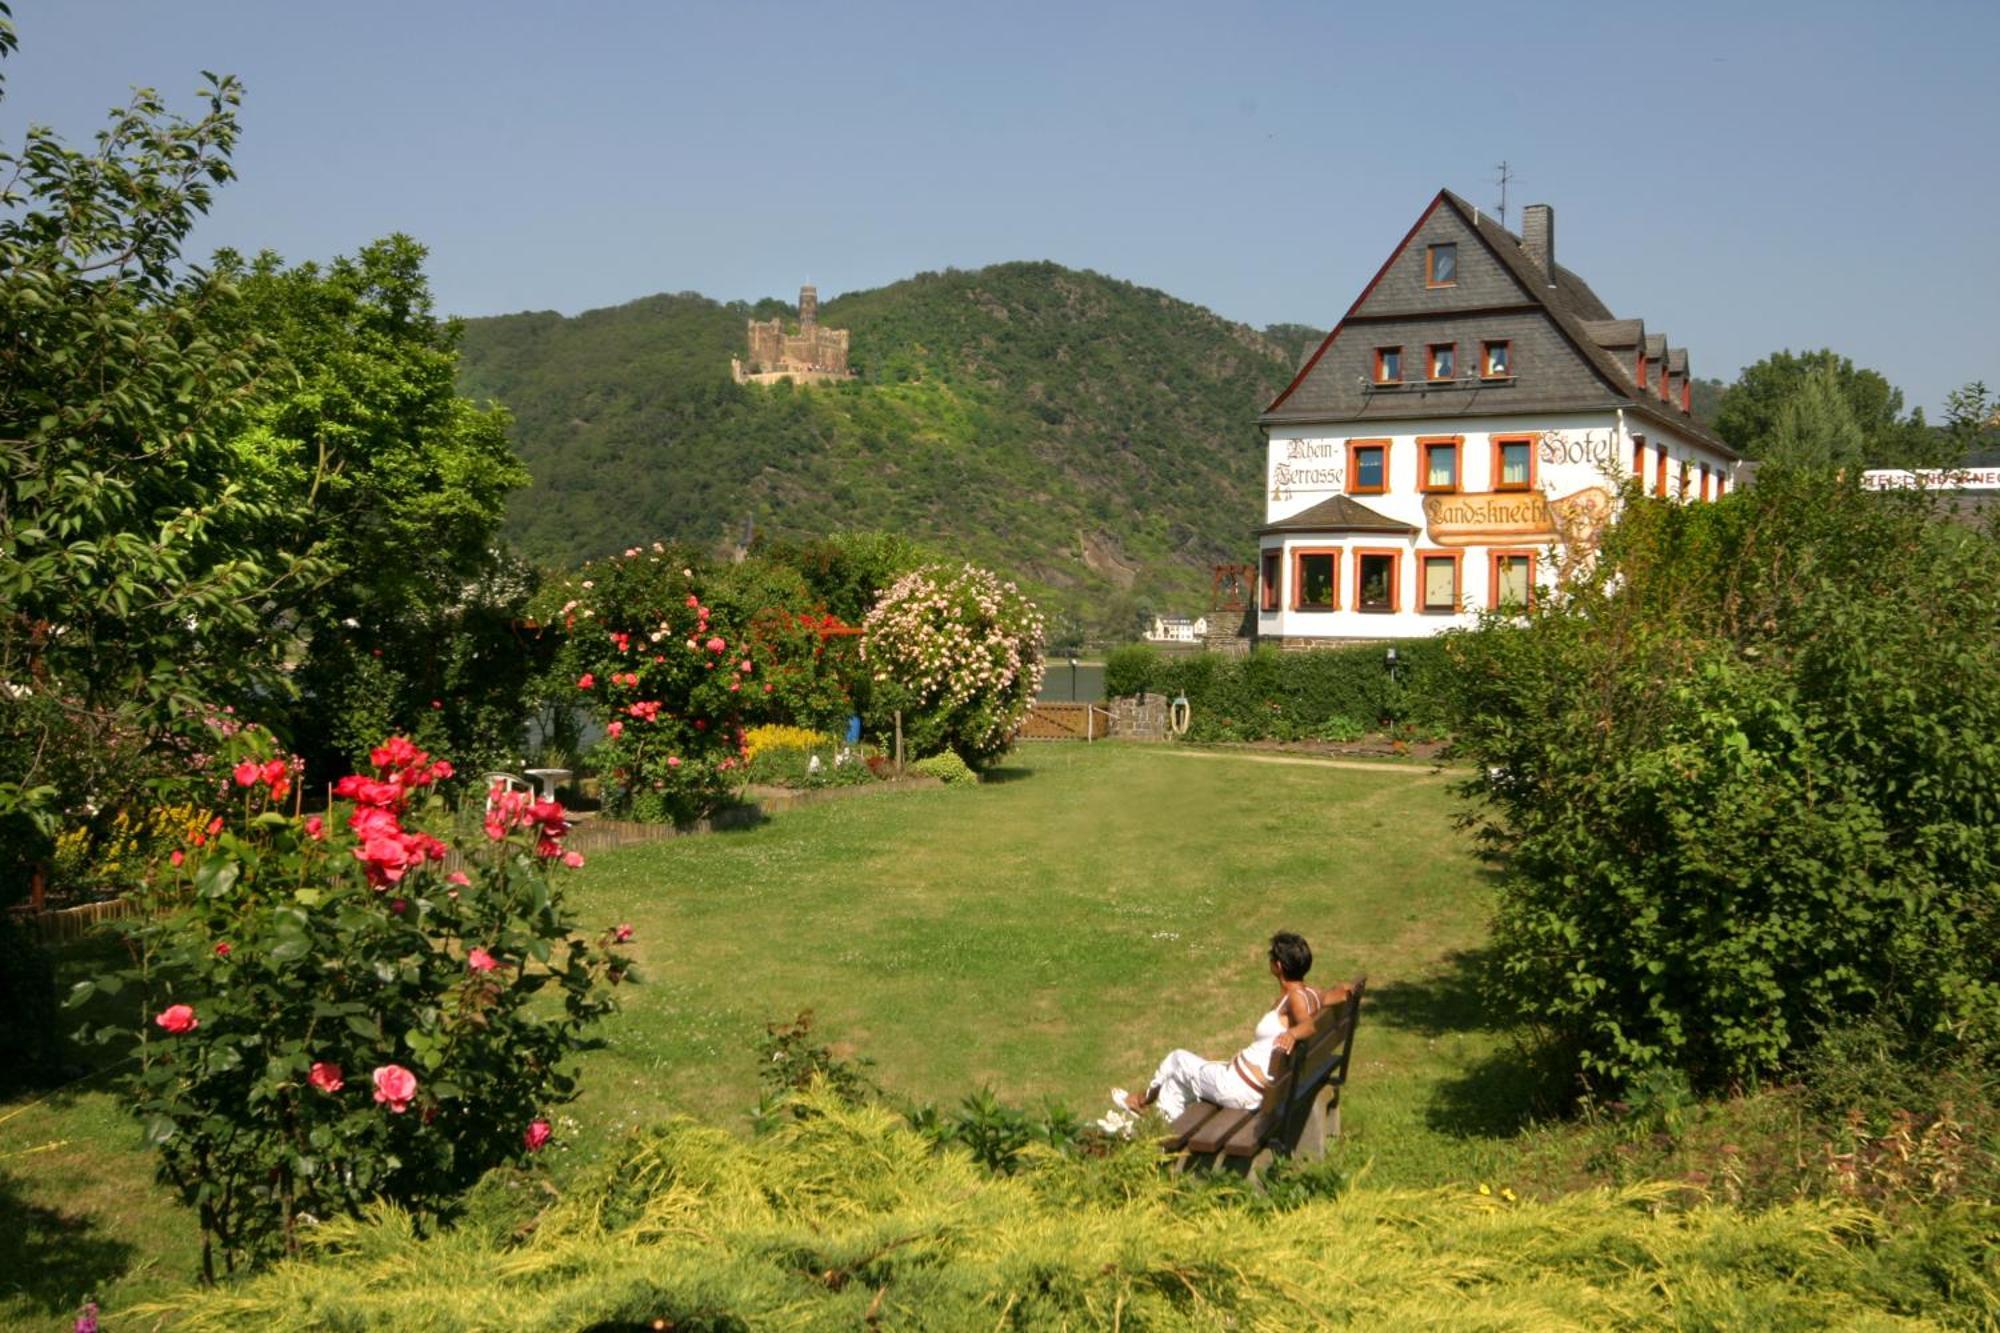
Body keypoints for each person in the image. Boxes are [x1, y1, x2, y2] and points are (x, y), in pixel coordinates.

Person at [1105, 931, 1345, 1132]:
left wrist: (1292, 1034)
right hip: (1255, 1085)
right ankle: (1152, 1115)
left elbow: (1308, 1025)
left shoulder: (1295, 998)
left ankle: (1146, 1110)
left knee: (1176, 1060)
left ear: (1278, 966)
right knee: (1178, 1079)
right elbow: (1334, 995)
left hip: (1239, 1090)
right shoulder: (1311, 994)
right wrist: (1348, 990)